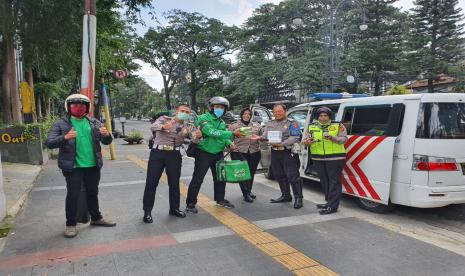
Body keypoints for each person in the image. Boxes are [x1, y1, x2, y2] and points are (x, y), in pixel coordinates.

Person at [46, 94, 116, 238]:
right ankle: (70, 224)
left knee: (92, 192)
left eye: (82, 105)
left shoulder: (94, 122)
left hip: (93, 165)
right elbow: (49, 143)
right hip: (73, 167)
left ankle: (96, 218)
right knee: (73, 195)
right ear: (69, 107)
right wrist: (65, 137)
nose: (79, 108)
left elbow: (107, 142)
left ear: (87, 107)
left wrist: (107, 134)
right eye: (75, 105)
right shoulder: (60, 124)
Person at [142, 104, 202, 223]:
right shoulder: (165, 119)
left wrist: (198, 137)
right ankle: (147, 212)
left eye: (186, 112)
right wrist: (164, 127)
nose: (184, 113)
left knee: (174, 183)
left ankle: (174, 209)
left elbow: (194, 139)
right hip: (158, 153)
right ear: (176, 111)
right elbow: (153, 126)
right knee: (151, 182)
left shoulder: (188, 126)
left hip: (174, 155)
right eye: (182, 110)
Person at [185, 96, 244, 213]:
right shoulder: (203, 118)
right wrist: (232, 133)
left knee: (220, 178)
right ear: (211, 107)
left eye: (222, 107)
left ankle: (220, 199)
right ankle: (190, 203)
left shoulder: (222, 122)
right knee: (198, 179)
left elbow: (221, 138)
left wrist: (229, 143)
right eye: (217, 107)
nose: (219, 109)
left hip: (218, 153)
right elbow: (211, 132)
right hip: (204, 153)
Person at [303, 107, 347, 215]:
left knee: (334, 181)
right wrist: (307, 142)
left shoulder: (338, 125)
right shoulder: (311, 126)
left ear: (329, 116)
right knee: (324, 180)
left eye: (325, 116)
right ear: (317, 117)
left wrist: (332, 138)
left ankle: (333, 206)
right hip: (318, 157)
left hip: (335, 158)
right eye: (321, 116)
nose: (323, 118)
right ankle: (329, 202)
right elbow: (304, 141)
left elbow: (344, 139)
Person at [261, 103, 303, 209]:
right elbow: (265, 136)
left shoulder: (293, 123)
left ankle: (298, 198)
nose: (277, 113)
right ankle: (286, 195)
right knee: (279, 175)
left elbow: (295, 137)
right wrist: (259, 138)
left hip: (288, 152)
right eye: (275, 112)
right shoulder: (270, 123)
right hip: (275, 152)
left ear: (285, 111)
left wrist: (282, 143)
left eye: (279, 111)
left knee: (293, 176)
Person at [229, 107, 262, 203]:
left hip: (254, 152)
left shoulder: (257, 126)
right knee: (242, 174)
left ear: (251, 116)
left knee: (251, 173)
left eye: (248, 114)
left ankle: (249, 191)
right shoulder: (234, 126)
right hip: (239, 153)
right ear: (241, 115)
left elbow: (262, 137)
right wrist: (230, 146)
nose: (246, 115)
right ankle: (245, 194)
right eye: (244, 114)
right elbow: (229, 139)